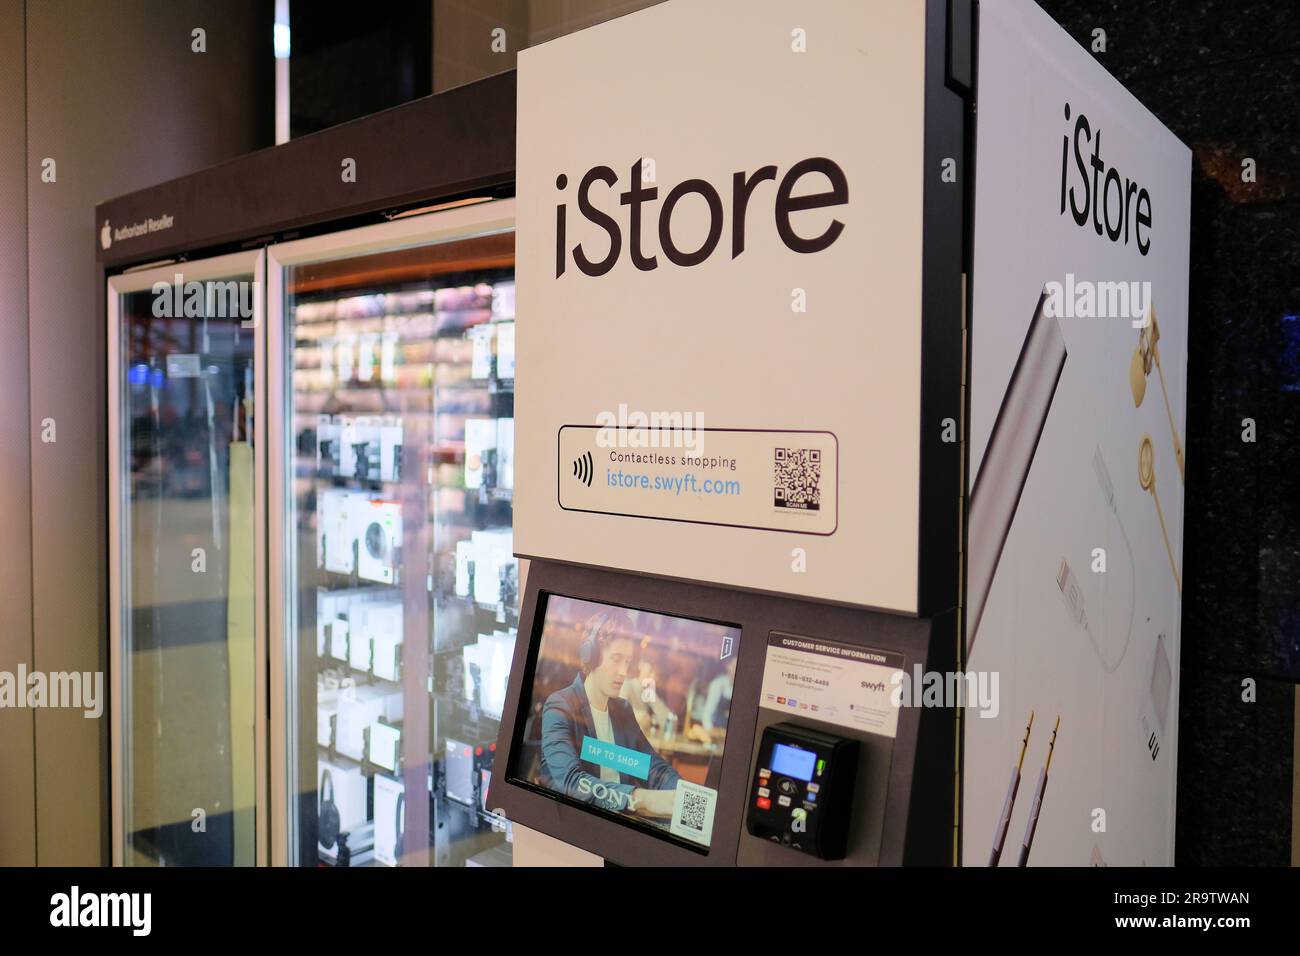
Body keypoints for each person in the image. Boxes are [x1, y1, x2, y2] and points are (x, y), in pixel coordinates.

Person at [540, 609, 680, 820]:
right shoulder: (561, 706)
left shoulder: (621, 710)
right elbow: (572, 782)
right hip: (575, 828)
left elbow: (652, 768)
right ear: (592, 655)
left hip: (619, 825)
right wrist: (639, 799)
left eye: (627, 662)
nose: (624, 671)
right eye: (616, 659)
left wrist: (687, 796)